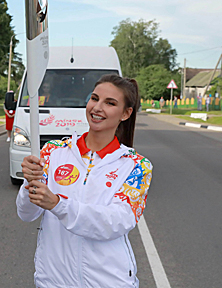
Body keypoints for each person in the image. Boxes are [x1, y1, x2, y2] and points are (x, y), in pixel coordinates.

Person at [17, 74, 152, 288]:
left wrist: (58, 205)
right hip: (53, 280)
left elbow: (115, 222)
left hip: (108, 281)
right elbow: (26, 213)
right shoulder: (53, 152)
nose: (97, 108)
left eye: (110, 103)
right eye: (94, 98)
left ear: (126, 114)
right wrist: (29, 185)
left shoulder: (136, 166)